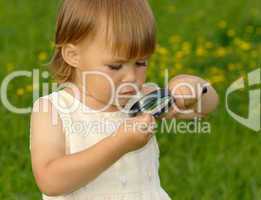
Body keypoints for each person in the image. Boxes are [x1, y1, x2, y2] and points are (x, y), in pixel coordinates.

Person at [30, 0, 219, 199]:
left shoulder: (144, 99)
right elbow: (50, 180)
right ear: (73, 55)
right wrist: (119, 144)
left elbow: (206, 107)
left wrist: (190, 87)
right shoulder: (53, 109)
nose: (131, 77)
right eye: (115, 66)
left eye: (140, 63)